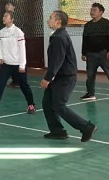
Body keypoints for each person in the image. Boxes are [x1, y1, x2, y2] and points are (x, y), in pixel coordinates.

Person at [40, 10, 97, 141]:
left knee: (59, 105)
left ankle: (86, 127)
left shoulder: (59, 38)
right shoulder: (58, 35)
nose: (48, 20)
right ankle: (57, 131)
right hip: (59, 76)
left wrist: (47, 78)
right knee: (47, 103)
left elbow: (57, 61)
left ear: (58, 21)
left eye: (51, 18)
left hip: (65, 77)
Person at [0, 11, 36, 114]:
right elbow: (1, 47)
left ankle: (31, 105)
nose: (3, 18)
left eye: (6, 16)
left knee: (24, 85)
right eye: (3, 16)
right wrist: (0, 57)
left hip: (18, 64)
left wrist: (22, 65)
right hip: (6, 65)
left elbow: (22, 49)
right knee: (0, 84)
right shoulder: (2, 32)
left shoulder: (18, 32)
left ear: (12, 19)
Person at [80, 2, 109, 105]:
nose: (92, 12)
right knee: (90, 76)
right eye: (91, 10)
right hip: (91, 55)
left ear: (101, 12)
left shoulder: (107, 24)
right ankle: (90, 94)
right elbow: (85, 40)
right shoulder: (88, 25)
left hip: (104, 54)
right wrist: (84, 53)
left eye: (94, 10)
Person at [0, 1, 19, 88]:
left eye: (9, 7)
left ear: (13, 8)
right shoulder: (3, 21)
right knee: (6, 65)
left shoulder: (17, 19)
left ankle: (17, 81)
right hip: (6, 46)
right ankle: (11, 80)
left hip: (14, 46)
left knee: (15, 65)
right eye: (6, 8)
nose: (8, 9)